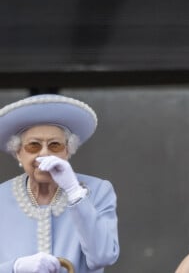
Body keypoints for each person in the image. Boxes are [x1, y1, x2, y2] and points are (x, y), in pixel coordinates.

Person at [0, 94, 120, 272]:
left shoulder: (98, 190)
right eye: (34, 146)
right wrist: (15, 267)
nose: (44, 154)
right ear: (18, 153)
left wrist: (74, 192)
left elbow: (103, 256)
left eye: (55, 145)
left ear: (68, 151)